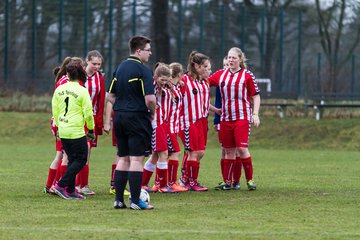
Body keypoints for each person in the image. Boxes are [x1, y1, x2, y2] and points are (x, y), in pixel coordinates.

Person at [106, 35, 156, 210]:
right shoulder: (144, 70)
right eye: (148, 50)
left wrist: (123, 105)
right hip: (137, 118)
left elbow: (109, 96)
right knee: (136, 159)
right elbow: (150, 99)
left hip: (119, 117)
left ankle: (119, 200)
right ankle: (135, 201)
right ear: (139, 50)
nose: (150, 53)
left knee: (123, 157)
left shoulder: (120, 68)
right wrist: (152, 114)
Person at [208, 47, 261, 191]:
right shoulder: (221, 74)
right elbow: (203, 82)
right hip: (226, 118)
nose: (231, 60)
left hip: (242, 118)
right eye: (229, 57)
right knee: (228, 150)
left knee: (242, 149)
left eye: (234, 58)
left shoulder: (247, 75)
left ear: (240, 59)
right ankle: (228, 182)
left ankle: (250, 180)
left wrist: (255, 114)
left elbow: (255, 96)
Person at [51, 57, 95, 199]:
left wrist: (57, 126)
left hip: (63, 129)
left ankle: (70, 190)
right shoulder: (82, 90)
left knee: (71, 159)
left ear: (68, 74)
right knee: (81, 159)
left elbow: (55, 109)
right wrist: (91, 130)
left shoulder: (60, 88)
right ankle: (60, 185)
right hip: (76, 130)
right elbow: (88, 113)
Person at [178, 51, 212, 191]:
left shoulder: (205, 82)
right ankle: (191, 182)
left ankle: (185, 179)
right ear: (197, 66)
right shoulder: (184, 81)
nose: (209, 71)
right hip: (188, 121)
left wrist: (215, 110)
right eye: (206, 67)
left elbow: (203, 102)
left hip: (202, 121)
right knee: (194, 152)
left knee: (200, 152)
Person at [76, 50, 105, 196]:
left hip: (91, 119)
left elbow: (100, 101)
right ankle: (79, 185)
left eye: (99, 64)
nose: (96, 66)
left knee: (87, 153)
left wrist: (100, 122)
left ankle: (81, 184)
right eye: (94, 63)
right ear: (86, 61)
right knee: (81, 151)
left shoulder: (100, 78)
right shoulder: (78, 76)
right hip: (78, 118)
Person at [44, 59, 72, 194]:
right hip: (63, 122)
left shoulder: (62, 80)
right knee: (65, 155)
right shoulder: (67, 82)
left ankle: (50, 185)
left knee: (60, 155)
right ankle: (58, 186)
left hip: (58, 121)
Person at [103, 101, 130, 196]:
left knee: (126, 152)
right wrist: (107, 122)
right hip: (122, 118)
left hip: (129, 117)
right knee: (122, 152)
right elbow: (110, 100)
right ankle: (115, 185)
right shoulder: (118, 86)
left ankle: (117, 184)